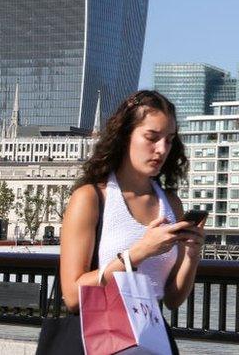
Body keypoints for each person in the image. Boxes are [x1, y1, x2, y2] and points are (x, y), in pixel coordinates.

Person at [59, 90, 205, 353]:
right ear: (125, 135)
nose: (162, 149)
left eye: (169, 140)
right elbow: (72, 295)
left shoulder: (171, 204)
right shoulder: (91, 198)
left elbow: (173, 298)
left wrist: (192, 256)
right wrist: (138, 253)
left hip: (152, 340)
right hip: (100, 339)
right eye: (152, 137)